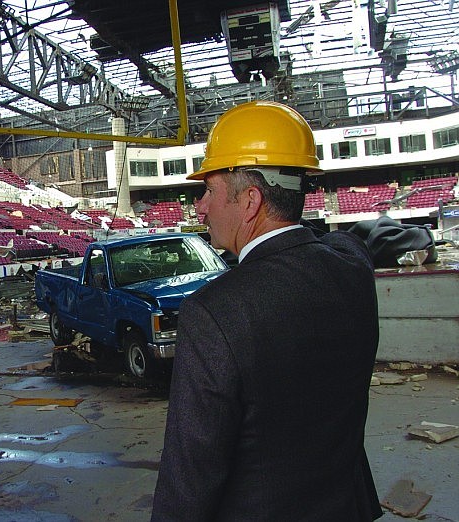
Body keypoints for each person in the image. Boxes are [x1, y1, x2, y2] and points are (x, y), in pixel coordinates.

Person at [151, 101, 382, 521]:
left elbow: (190, 473)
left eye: (209, 190)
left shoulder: (214, 312)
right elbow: (334, 242)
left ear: (251, 201)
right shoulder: (353, 267)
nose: (199, 206)